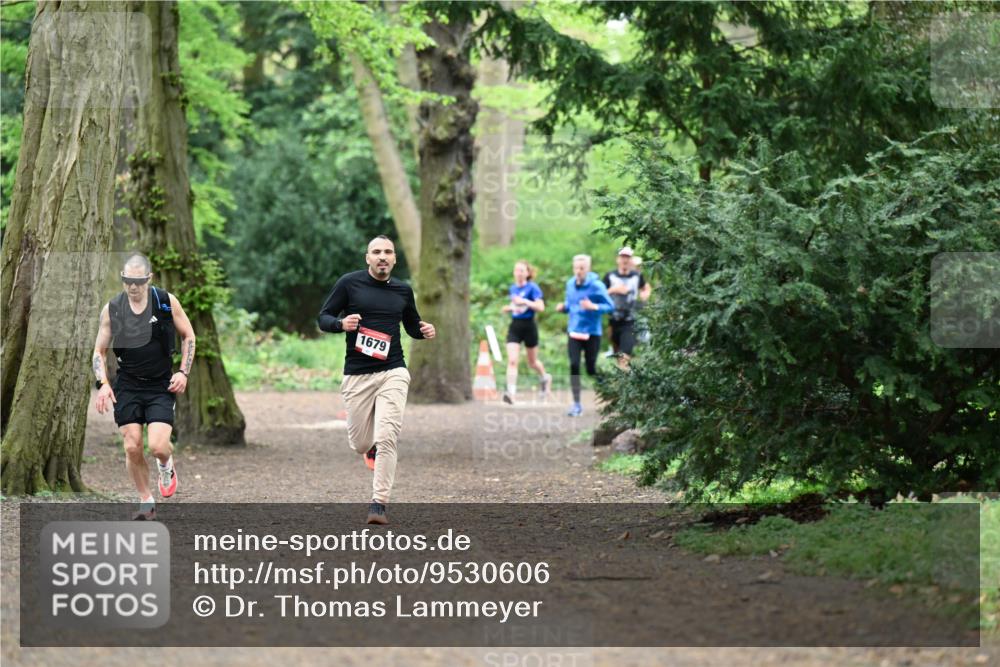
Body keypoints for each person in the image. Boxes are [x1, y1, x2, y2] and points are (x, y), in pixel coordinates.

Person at [318, 235, 436, 525]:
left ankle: (379, 504)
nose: (382, 257)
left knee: (388, 436)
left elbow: (411, 325)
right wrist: (340, 324)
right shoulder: (349, 284)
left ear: (394, 259)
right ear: (367, 258)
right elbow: (324, 317)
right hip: (358, 374)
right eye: (376, 252)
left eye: (387, 252)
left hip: (393, 371)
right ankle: (368, 447)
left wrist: (424, 331)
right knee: (359, 443)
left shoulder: (403, 291)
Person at [93, 253, 195, 520]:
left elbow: (189, 336)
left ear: (148, 278)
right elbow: (99, 351)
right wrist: (102, 384)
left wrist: (183, 372)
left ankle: (166, 465)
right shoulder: (113, 309)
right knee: (131, 446)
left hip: (161, 384)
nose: (133, 286)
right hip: (127, 385)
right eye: (128, 280)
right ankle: (146, 502)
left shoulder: (165, 301)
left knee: (159, 446)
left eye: (138, 280)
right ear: (123, 279)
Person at [556, 254, 613, 417]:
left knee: (590, 369)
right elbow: (571, 304)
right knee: (574, 365)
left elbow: (610, 306)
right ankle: (576, 404)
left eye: (582, 268)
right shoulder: (569, 284)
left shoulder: (597, 286)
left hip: (592, 333)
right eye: (576, 268)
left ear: (588, 269)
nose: (578, 271)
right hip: (574, 330)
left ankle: (612, 391)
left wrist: (593, 306)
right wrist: (563, 307)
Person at [501, 260, 552, 404]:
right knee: (512, 361)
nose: (519, 273)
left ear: (528, 273)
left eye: (522, 270)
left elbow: (540, 307)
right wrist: (509, 308)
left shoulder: (533, 288)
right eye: (516, 270)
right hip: (515, 326)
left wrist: (525, 302)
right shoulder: (513, 288)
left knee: (532, 362)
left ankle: (545, 377)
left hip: (529, 326)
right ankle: (511, 393)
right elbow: (516, 306)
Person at [603, 247, 651, 369]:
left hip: (630, 321)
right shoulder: (610, 276)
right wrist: (614, 290)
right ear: (617, 259)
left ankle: (624, 378)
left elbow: (646, 287)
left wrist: (644, 294)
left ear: (631, 261)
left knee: (624, 354)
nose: (625, 260)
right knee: (618, 355)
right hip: (613, 321)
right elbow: (599, 295)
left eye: (628, 257)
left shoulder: (637, 276)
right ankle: (623, 382)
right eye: (623, 257)